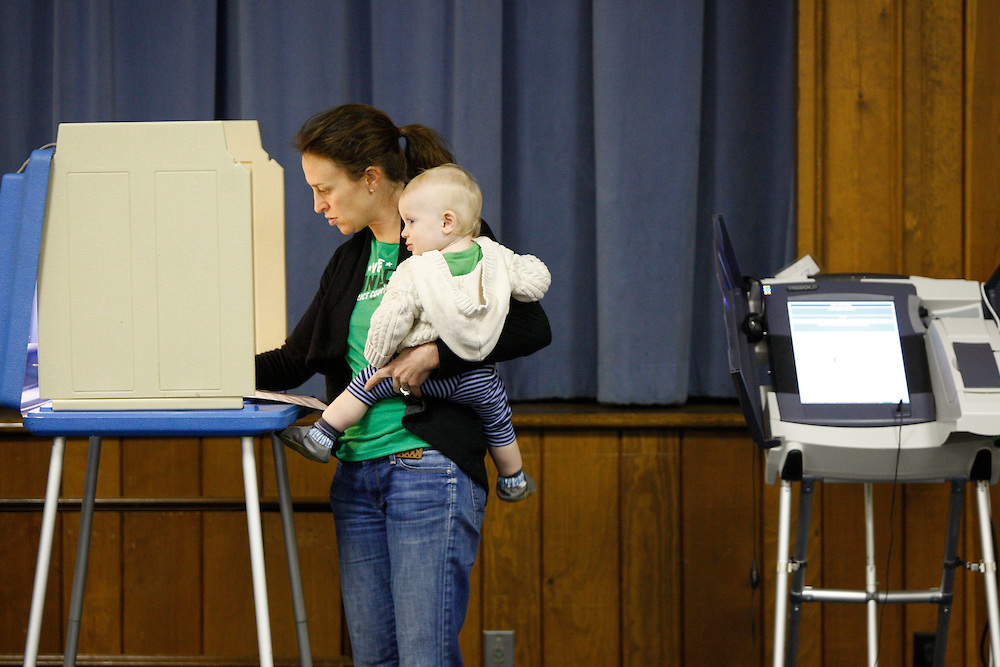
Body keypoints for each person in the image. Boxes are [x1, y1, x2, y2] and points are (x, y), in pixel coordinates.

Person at [255, 104, 551, 666]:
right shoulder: (348, 261)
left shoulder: (457, 240)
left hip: (427, 469)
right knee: (374, 658)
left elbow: (533, 325)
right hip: (356, 474)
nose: (317, 205)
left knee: (424, 657)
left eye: (325, 189)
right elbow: (295, 358)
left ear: (370, 179)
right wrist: (204, 369)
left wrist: (436, 351)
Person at [276, 163, 550, 502]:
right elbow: (534, 280)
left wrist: (380, 357)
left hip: (428, 416)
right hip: (481, 379)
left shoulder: (417, 267)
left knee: (369, 383)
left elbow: (392, 320)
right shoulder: (492, 255)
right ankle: (513, 479)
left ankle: (323, 434)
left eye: (412, 223)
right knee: (498, 420)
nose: (406, 233)